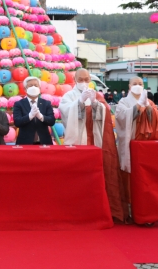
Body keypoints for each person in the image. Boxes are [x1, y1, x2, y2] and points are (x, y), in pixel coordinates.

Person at [58, 68, 126, 222]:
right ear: (74, 80)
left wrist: (96, 104)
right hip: (79, 141)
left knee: (97, 177)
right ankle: (77, 211)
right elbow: (65, 112)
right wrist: (79, 103)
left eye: (86, 79)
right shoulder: (68, 96)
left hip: (96, 141)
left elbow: (105, 115)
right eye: (80, 79)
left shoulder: (97, 95)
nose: (84, 82)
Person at [14, 76, 56, 145]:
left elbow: (52, 121)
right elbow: (17, 122)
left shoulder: (46, 103)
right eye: (30, 86)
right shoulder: (19, 104)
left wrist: (41, 117)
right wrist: (29, 116)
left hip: (44, 142)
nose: (33, 87)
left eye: (36, 86)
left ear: (39, 88)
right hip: (25, 143)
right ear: (25, 89)